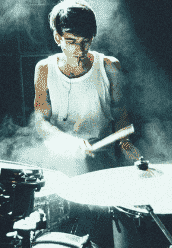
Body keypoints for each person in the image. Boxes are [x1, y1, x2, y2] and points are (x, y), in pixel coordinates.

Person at [32, 0, 140, 175]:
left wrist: (127, 147)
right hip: (61, 160)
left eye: (86, 41)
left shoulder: (109, 67)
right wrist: (67, 141)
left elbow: (121, 116)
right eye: (71, 41)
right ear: (57, 37)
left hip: (102, 159)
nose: (80, 49)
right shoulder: (44, 69)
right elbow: (41, 121)